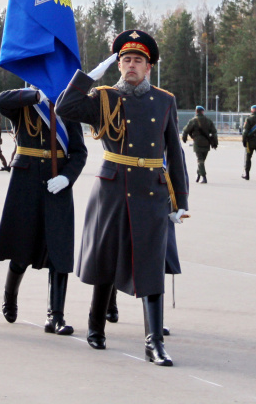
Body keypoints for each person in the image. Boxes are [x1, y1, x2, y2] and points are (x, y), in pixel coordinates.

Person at [55, 30, 188, 367]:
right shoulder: (105, 97)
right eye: (126, 60)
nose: (131, 65)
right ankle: (95, 325)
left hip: (152, 190)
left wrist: (180, 200)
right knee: (106, 259)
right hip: (113, 188)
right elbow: (65, 106)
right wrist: (88, 77)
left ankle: (153, 343)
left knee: (151, 265)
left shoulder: (164, 100)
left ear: (148, 67)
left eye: (137, 61)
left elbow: (175, 151)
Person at [0, 85, 87, 335]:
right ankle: (10, 297)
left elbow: (79, 151)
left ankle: (55, 316)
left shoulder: (67, 105)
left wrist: (68, 177)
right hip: (26, 180)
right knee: (21, 247)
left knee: (59, 249)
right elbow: (0, 101)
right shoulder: (24, 102)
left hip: (58, 181)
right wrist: (35, 96)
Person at [181, 105, 218, 183]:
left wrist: (184, 138)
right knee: (202, 160)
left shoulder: (193, 121)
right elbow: (214, 133)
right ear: (202, 111)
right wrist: (215, 143)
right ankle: (199, 175)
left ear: (196, 111)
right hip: (206, 143)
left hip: (197, 143)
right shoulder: (208, 121)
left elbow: (185, 130)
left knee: (200, 160)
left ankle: (203, 177)